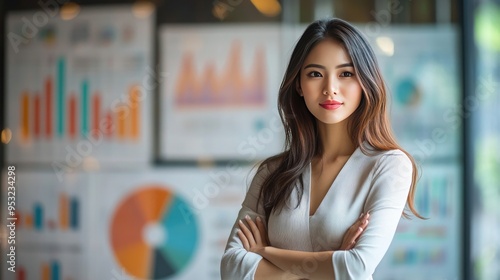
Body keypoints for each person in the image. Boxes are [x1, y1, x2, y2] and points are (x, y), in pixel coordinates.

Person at [220, 18, 422, 280]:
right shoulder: (272, 172)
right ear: (298, 85)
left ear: (365, 83)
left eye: (346, 74)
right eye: (315, 74)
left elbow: (357, 267)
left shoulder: (390, 166)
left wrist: (264, 251)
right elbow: (231, 268)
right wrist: (330, 263)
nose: (330, 89)